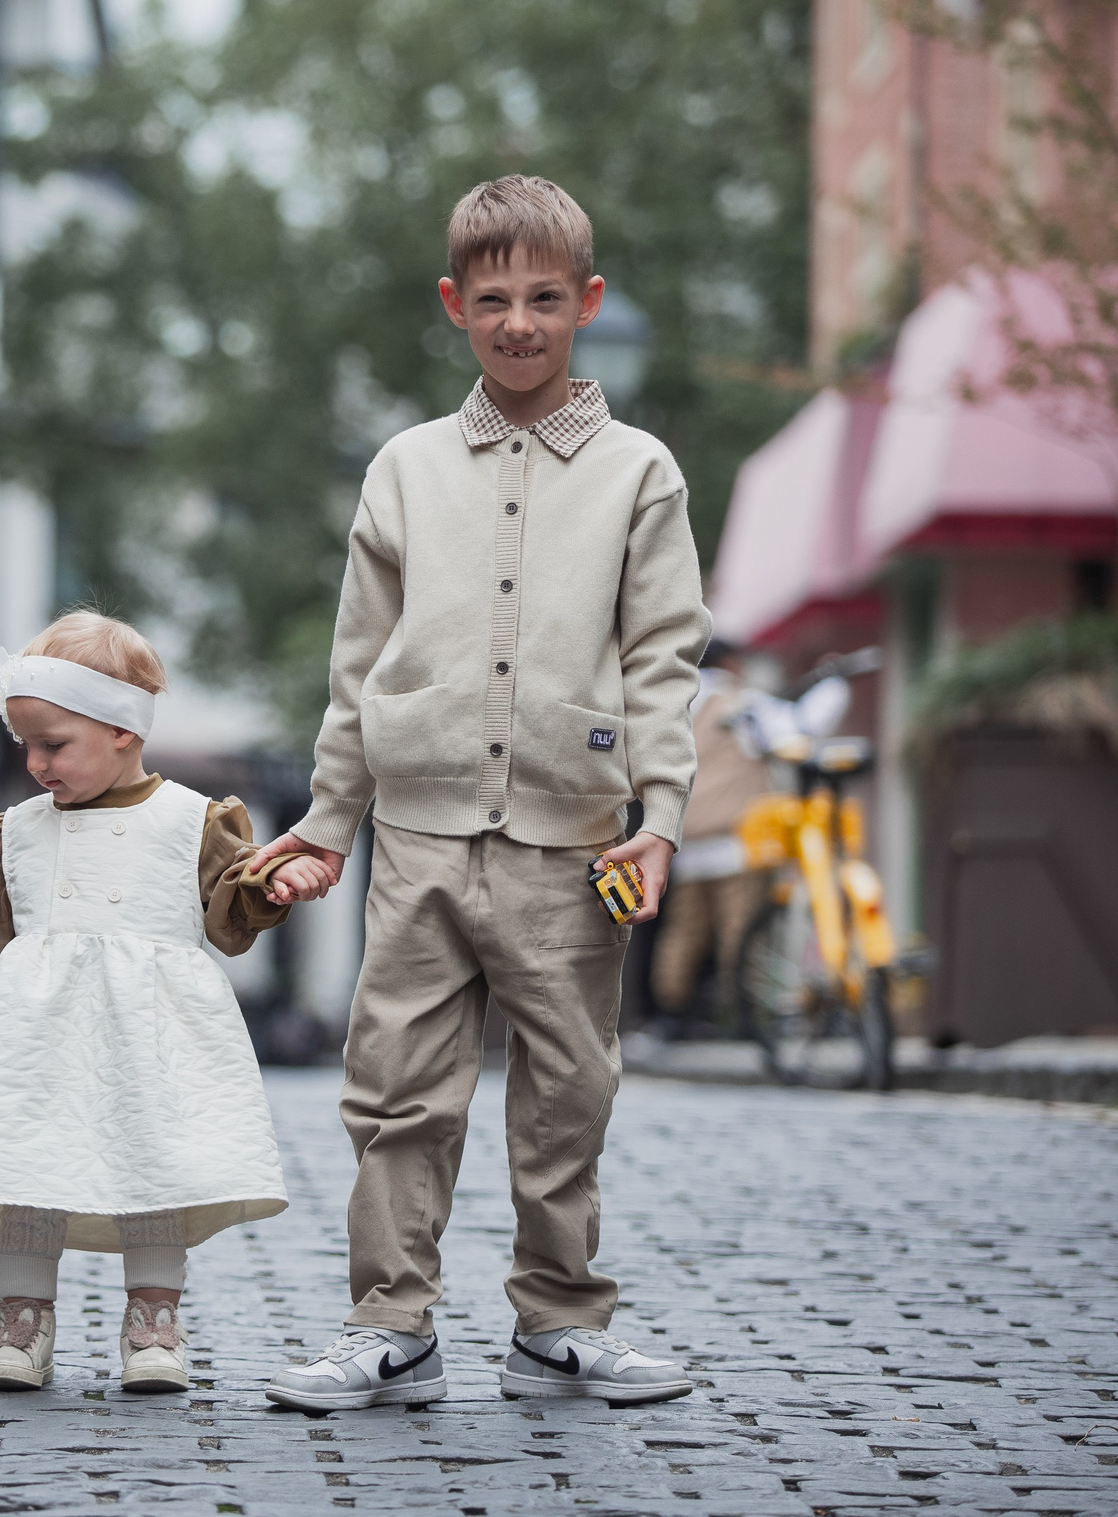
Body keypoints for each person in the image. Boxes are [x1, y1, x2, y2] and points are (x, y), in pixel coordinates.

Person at [252, 176, 710, 1411]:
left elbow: (668, 658)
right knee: (397, 1085)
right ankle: (388, 1326)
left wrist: (658, 821)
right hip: (414, 839)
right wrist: (327, 822)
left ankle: (557, 1321)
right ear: (454, 305)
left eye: (546, 299)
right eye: (493, 299)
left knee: (569, 1088)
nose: (519, 322)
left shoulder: (639, 473)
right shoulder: (403, 470)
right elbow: (359, 667)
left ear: (586, 303)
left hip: (574, 847)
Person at [0, 613, 333, 1395]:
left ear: (122, 729)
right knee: (32, 1163)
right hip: (40, 1039)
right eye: (26, 745)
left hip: (153, 1035)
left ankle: (154, 1316)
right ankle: (22, 1314)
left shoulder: (192, 819)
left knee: (154, 1164)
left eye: (54, 743)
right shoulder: (8, 834)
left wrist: (274, 882)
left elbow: (232, 902)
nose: (36, 763)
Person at [647, 641, 775, 1030]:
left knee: (683, 933)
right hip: (736, 841)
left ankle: (668, 1013)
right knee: (739, 930)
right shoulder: (740, 702)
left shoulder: (677, 705)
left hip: (686, 840)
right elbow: (790, 733)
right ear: (732, 662)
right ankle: (744, 1016)